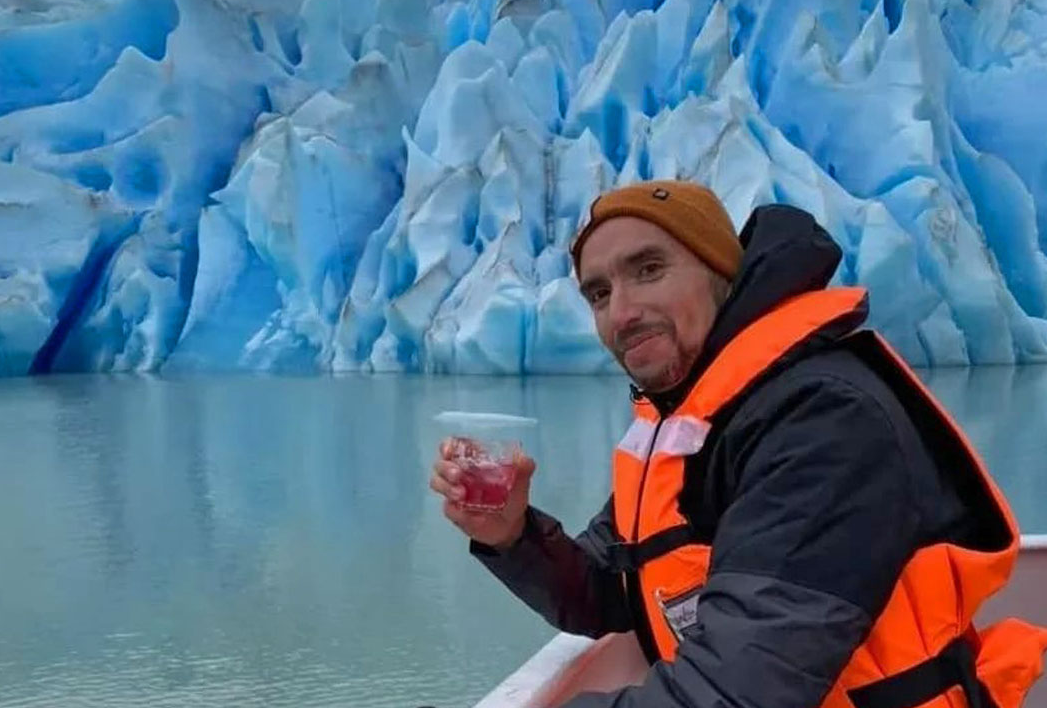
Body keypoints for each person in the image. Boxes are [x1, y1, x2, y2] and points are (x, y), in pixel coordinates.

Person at [429, 180, 1047, 708]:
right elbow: (612, 591)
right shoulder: (692, 426)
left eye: (649, 270)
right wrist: (511, 536)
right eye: (599, 293)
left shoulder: (823, 420)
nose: (622, 312)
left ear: (722, 273)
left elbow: (739, 691)